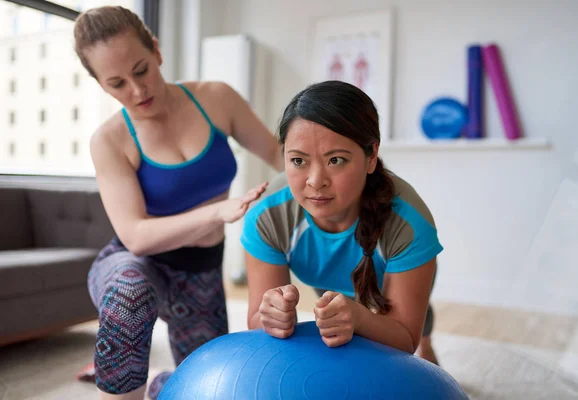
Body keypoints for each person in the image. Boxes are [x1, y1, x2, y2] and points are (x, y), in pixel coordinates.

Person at [73, 6, 283, 400]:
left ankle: (160, 385)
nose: (136, 91)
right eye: (117, 83)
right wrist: (216, 212)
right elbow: (135, 235)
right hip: (135, 264)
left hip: (201, 273)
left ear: (156, 50)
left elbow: (278, 152)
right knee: (129, 297)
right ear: (101, 85)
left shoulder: (216, 99)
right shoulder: (110, 139)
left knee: (213, 387)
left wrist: (339, 171)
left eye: (141, 70)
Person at [241, 80, 442, 364]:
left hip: (392, 273)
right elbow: (256, 321)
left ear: (371, 156)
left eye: (336, 160)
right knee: (340, 310)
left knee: (413, 318)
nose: (315, 181)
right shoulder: (267, 217)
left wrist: (361, 318)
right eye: (298, 161)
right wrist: (271, 316)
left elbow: (403, 339)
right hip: (332, 282)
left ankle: (429, 339)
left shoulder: (410, 224)